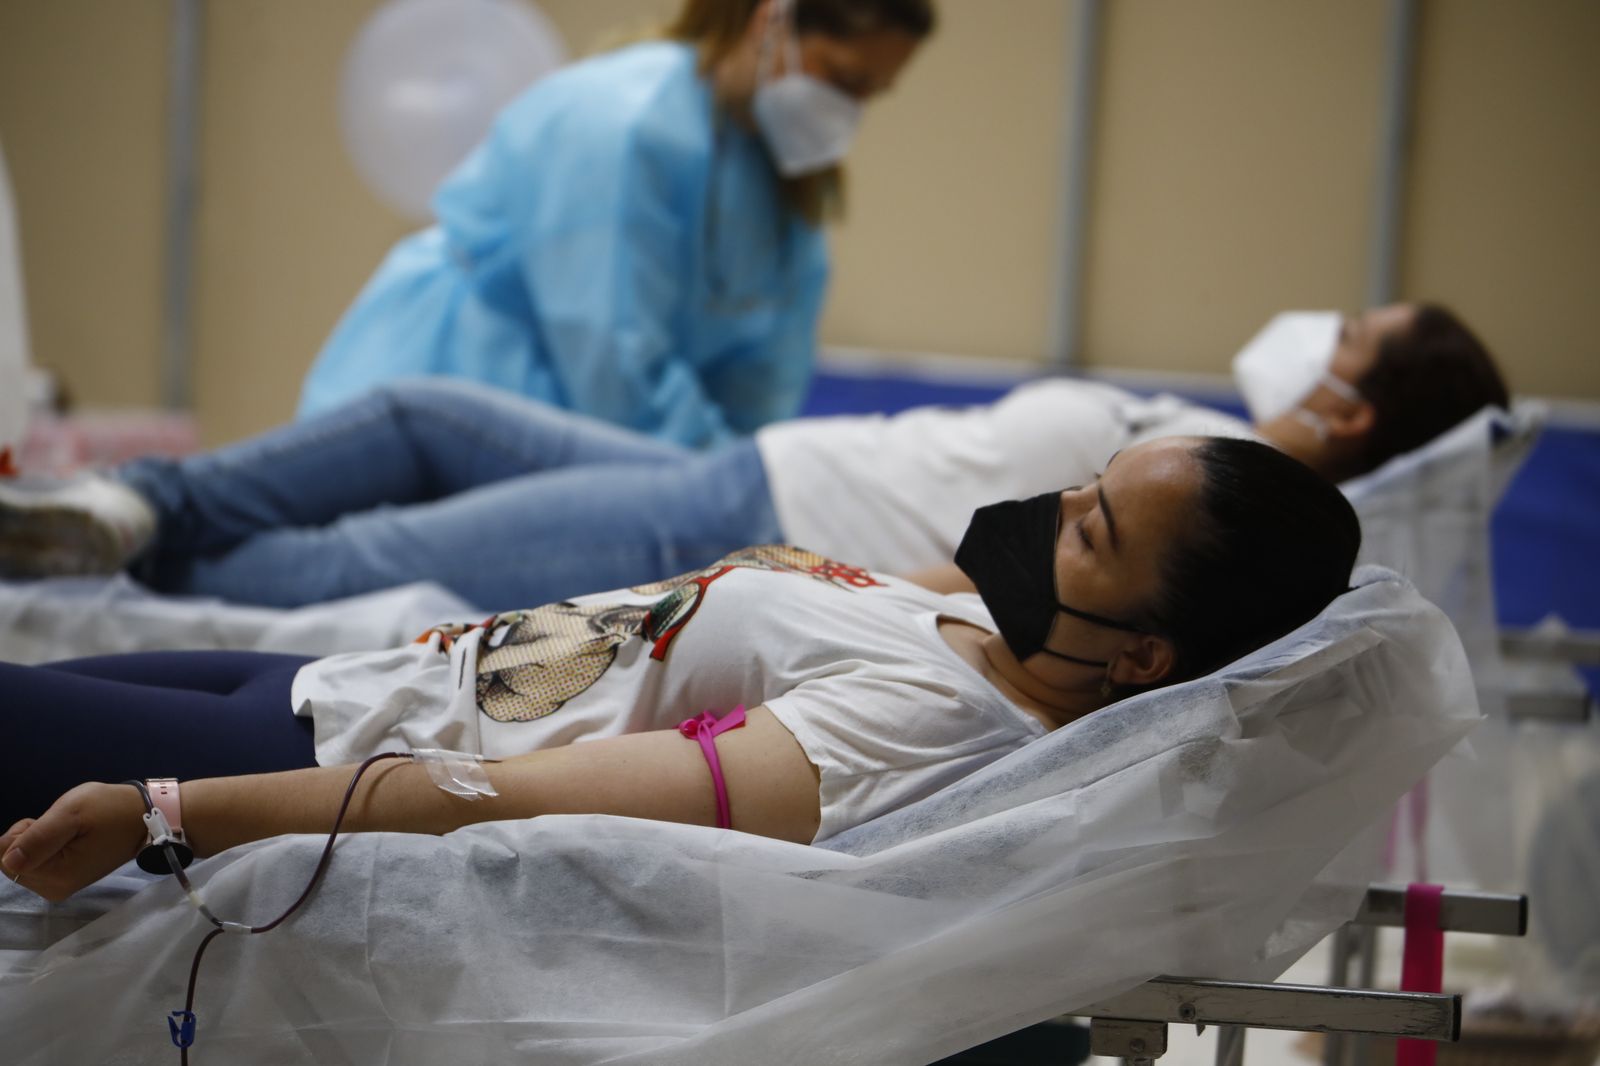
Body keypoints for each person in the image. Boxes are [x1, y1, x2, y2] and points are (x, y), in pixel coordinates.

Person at [0, 435, 1361, 902]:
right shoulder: (987, 631)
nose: (1051, 506)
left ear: (1144, 650)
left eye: (1093, 526)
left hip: (306, 768)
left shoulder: (908, 729)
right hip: (338, 686)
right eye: (1084, 483)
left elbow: (510, 798)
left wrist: (174, 811)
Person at [0, 301, 1506, 611]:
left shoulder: (1219, 491)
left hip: (751, 514)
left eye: (1352, 331)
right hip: (748, 462)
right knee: (421, 416)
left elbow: (984, 595)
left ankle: (100, 574)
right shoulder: (1212, 452)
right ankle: (136, 506)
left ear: (1355, 407)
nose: (1321, 318)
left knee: (357, 563)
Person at [297, 0, 933, 445]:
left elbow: (765, 384)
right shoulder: (622, 123)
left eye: (872, 92)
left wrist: (752, 490)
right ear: (772, 17)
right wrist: (727, 497)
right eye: (843, 78)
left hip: (583, 447)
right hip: (439, 386)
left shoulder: (788, 194)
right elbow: (616, 368)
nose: (849, 111)